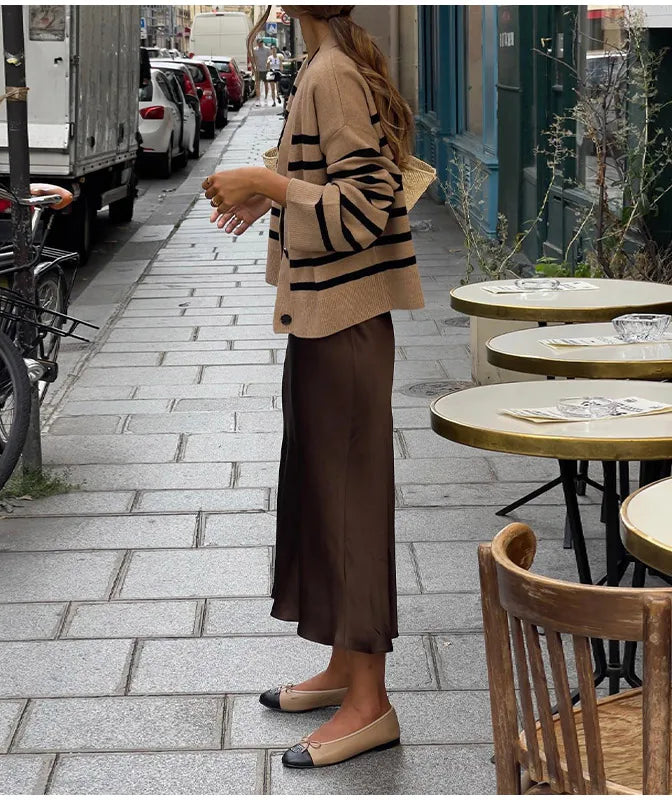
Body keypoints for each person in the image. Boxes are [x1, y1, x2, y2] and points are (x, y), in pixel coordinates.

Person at [202, 5, 423, 769]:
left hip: (345, 325)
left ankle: (371, 705)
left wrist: (267, 179)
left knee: (348, 507)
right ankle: (342, 669)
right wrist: (276, 189)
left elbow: (368, 205)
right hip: (329, 320)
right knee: (324, 498)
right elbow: (344, 179)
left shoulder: (330, 73)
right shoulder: (332, 64)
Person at [253, 36, 271, 106]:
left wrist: (269, 67)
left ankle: (266, 97)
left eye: (261, 42)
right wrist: (254, 67)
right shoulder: (255, 50)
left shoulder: (267, 49)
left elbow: (269, 58)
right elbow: (254, 59)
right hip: (258, 69)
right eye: (259, 43)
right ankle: (258, 98)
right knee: (257, 84)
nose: (260, 44)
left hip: (265, 69)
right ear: (257, 43)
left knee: (266, 84)